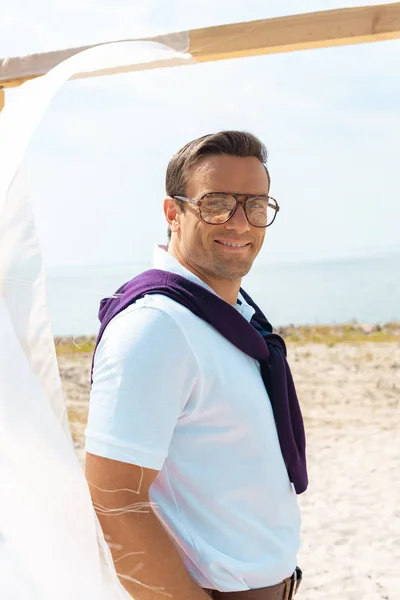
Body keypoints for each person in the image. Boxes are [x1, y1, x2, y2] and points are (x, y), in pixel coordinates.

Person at [85, 130, 307, 600]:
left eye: (256, 205)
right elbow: (114, 502)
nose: (240, 223)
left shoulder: (229, 313)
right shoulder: (156, 328)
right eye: (217, 204)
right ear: (173, 213)